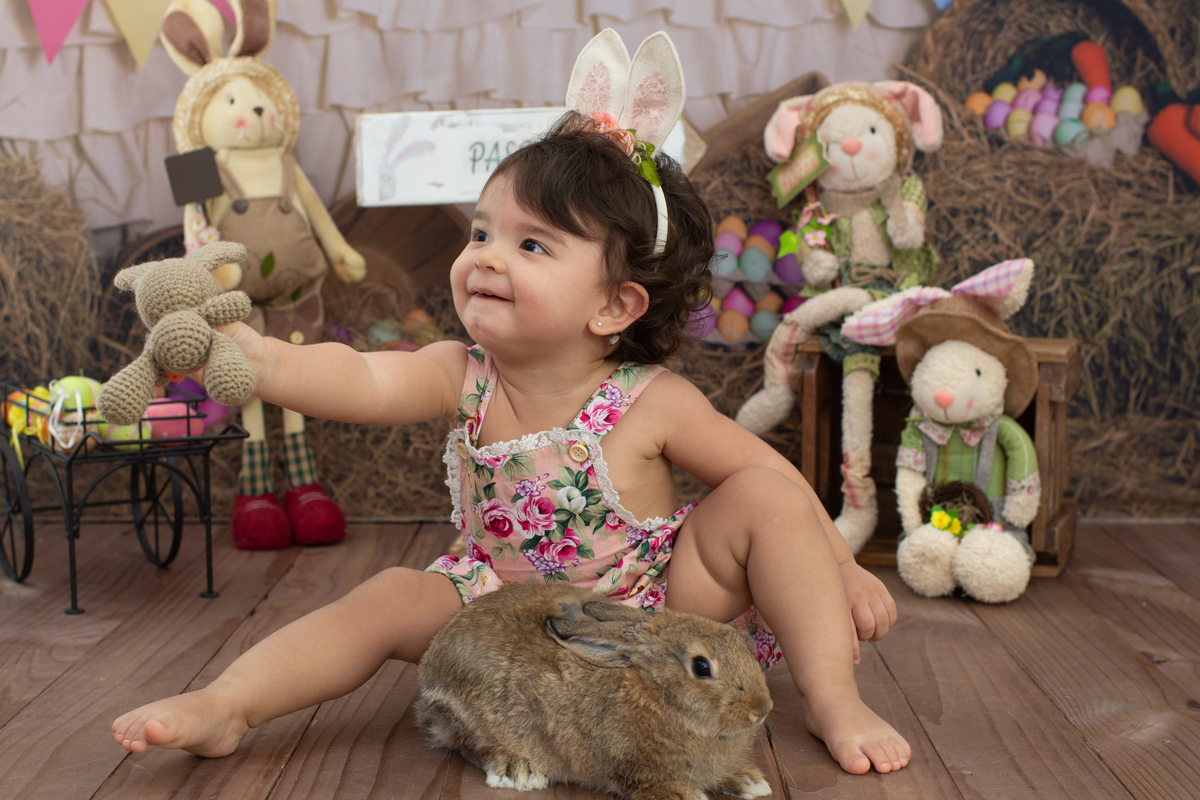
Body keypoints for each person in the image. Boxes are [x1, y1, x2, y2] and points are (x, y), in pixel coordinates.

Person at [111, 112, 910, 775]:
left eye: (531, 245)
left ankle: (834, 701)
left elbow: (768, 474)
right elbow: (362, 377)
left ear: (614, 306)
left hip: (653, 614)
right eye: (481, 231)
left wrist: (838, 565)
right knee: (387, 596)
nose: (486, 256)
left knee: (763, 494)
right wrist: (261, 359)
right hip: (501, 612)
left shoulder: (652, 400)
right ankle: (230, 703)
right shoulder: (459, 374)